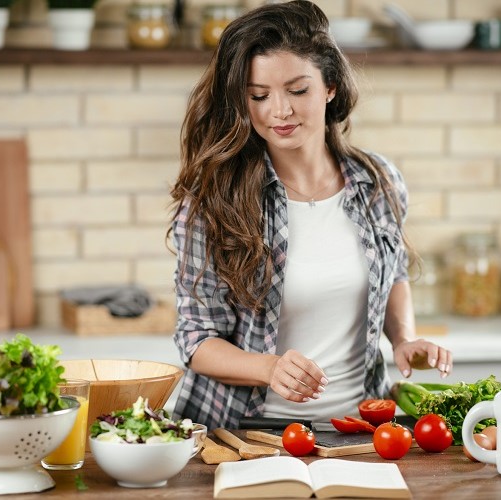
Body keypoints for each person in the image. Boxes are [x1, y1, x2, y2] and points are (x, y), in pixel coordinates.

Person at [168, 0, 452, 430]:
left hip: (361, 429)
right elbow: (196, 340)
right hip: (246, 433)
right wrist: (269, 368)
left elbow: (393, 274)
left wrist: (405, 338)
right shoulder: (213, 202)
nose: (278, 111)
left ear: (330, 86)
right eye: (258, 96)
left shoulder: (378, 181)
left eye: (297, 90)